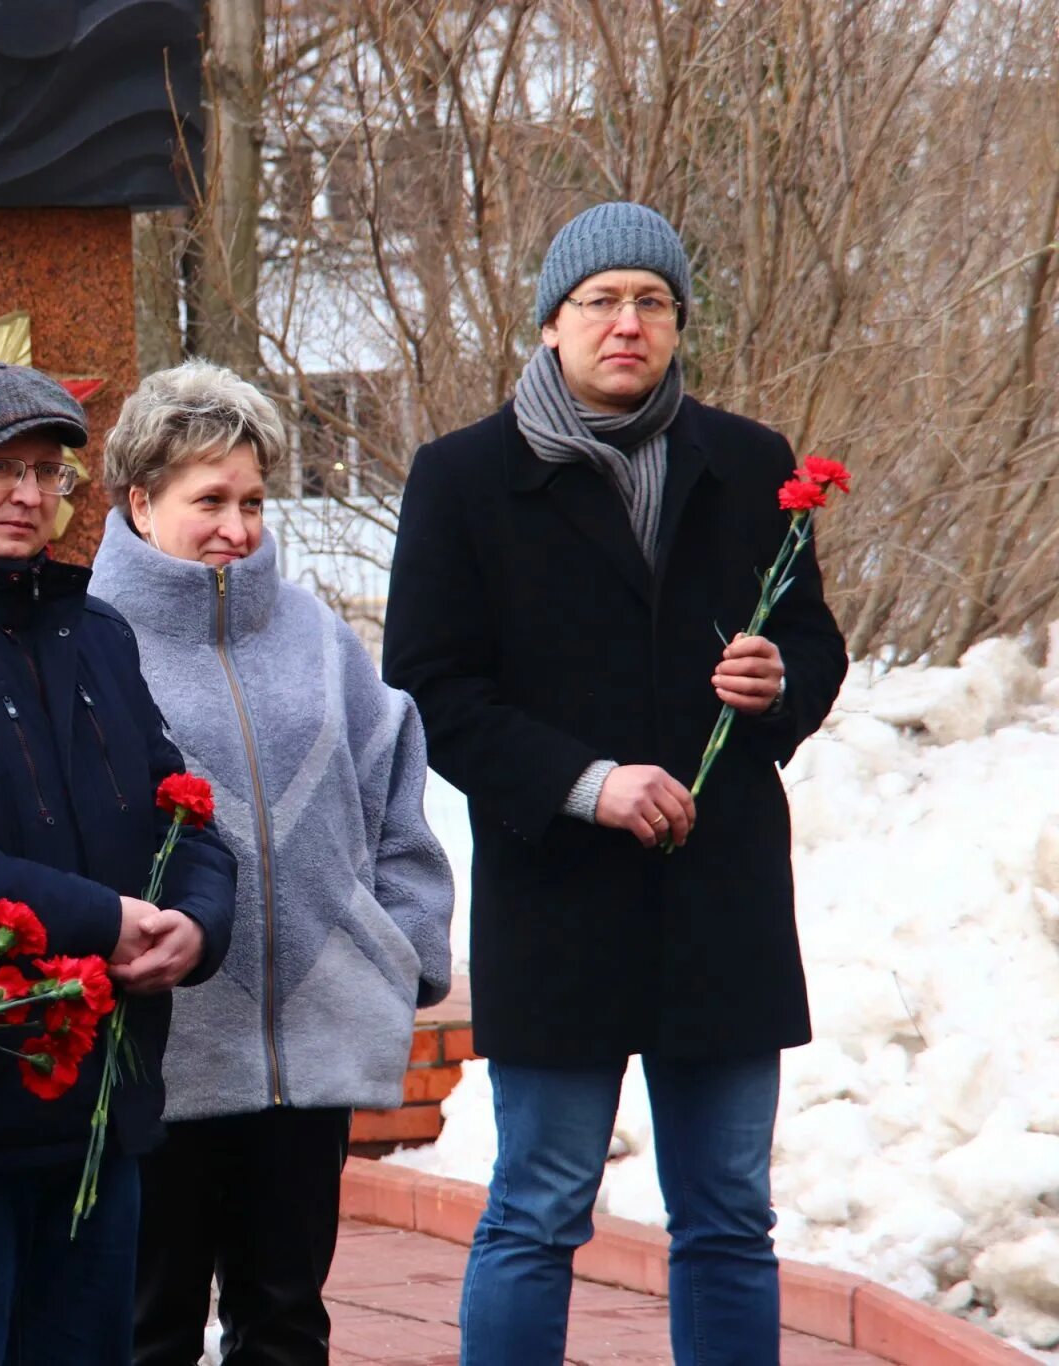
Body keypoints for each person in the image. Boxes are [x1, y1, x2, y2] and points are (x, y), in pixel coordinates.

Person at [381, 201, 848, 1365]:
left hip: (719, 895)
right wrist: (585, 783)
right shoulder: (462, 478)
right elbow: (433, 688)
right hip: (559, 897)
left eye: (651, 301)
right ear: (550, 323)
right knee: (537, 1211)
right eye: (599, 301)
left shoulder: (747, 464)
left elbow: (814, 639)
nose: (625, 322)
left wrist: (778, 677)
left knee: (729, 1217)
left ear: (678, 324)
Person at [0, 359, 239, 1366]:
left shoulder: (91, 630)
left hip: (97, 1116)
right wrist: (95, 919)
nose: (29, 494)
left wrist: (196, 921)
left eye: (48, 472)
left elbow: (181, 809)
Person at [86, 361, 454, 1366]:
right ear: (139, 501)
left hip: (308, 1059)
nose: (236, 526)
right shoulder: (87, 639)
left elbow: (393, 785)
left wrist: (402, 946)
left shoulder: (317, 635)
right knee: (145, 1329)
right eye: (207, 499)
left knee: (286, 1321)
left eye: (251, 499)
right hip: (162, 1055)